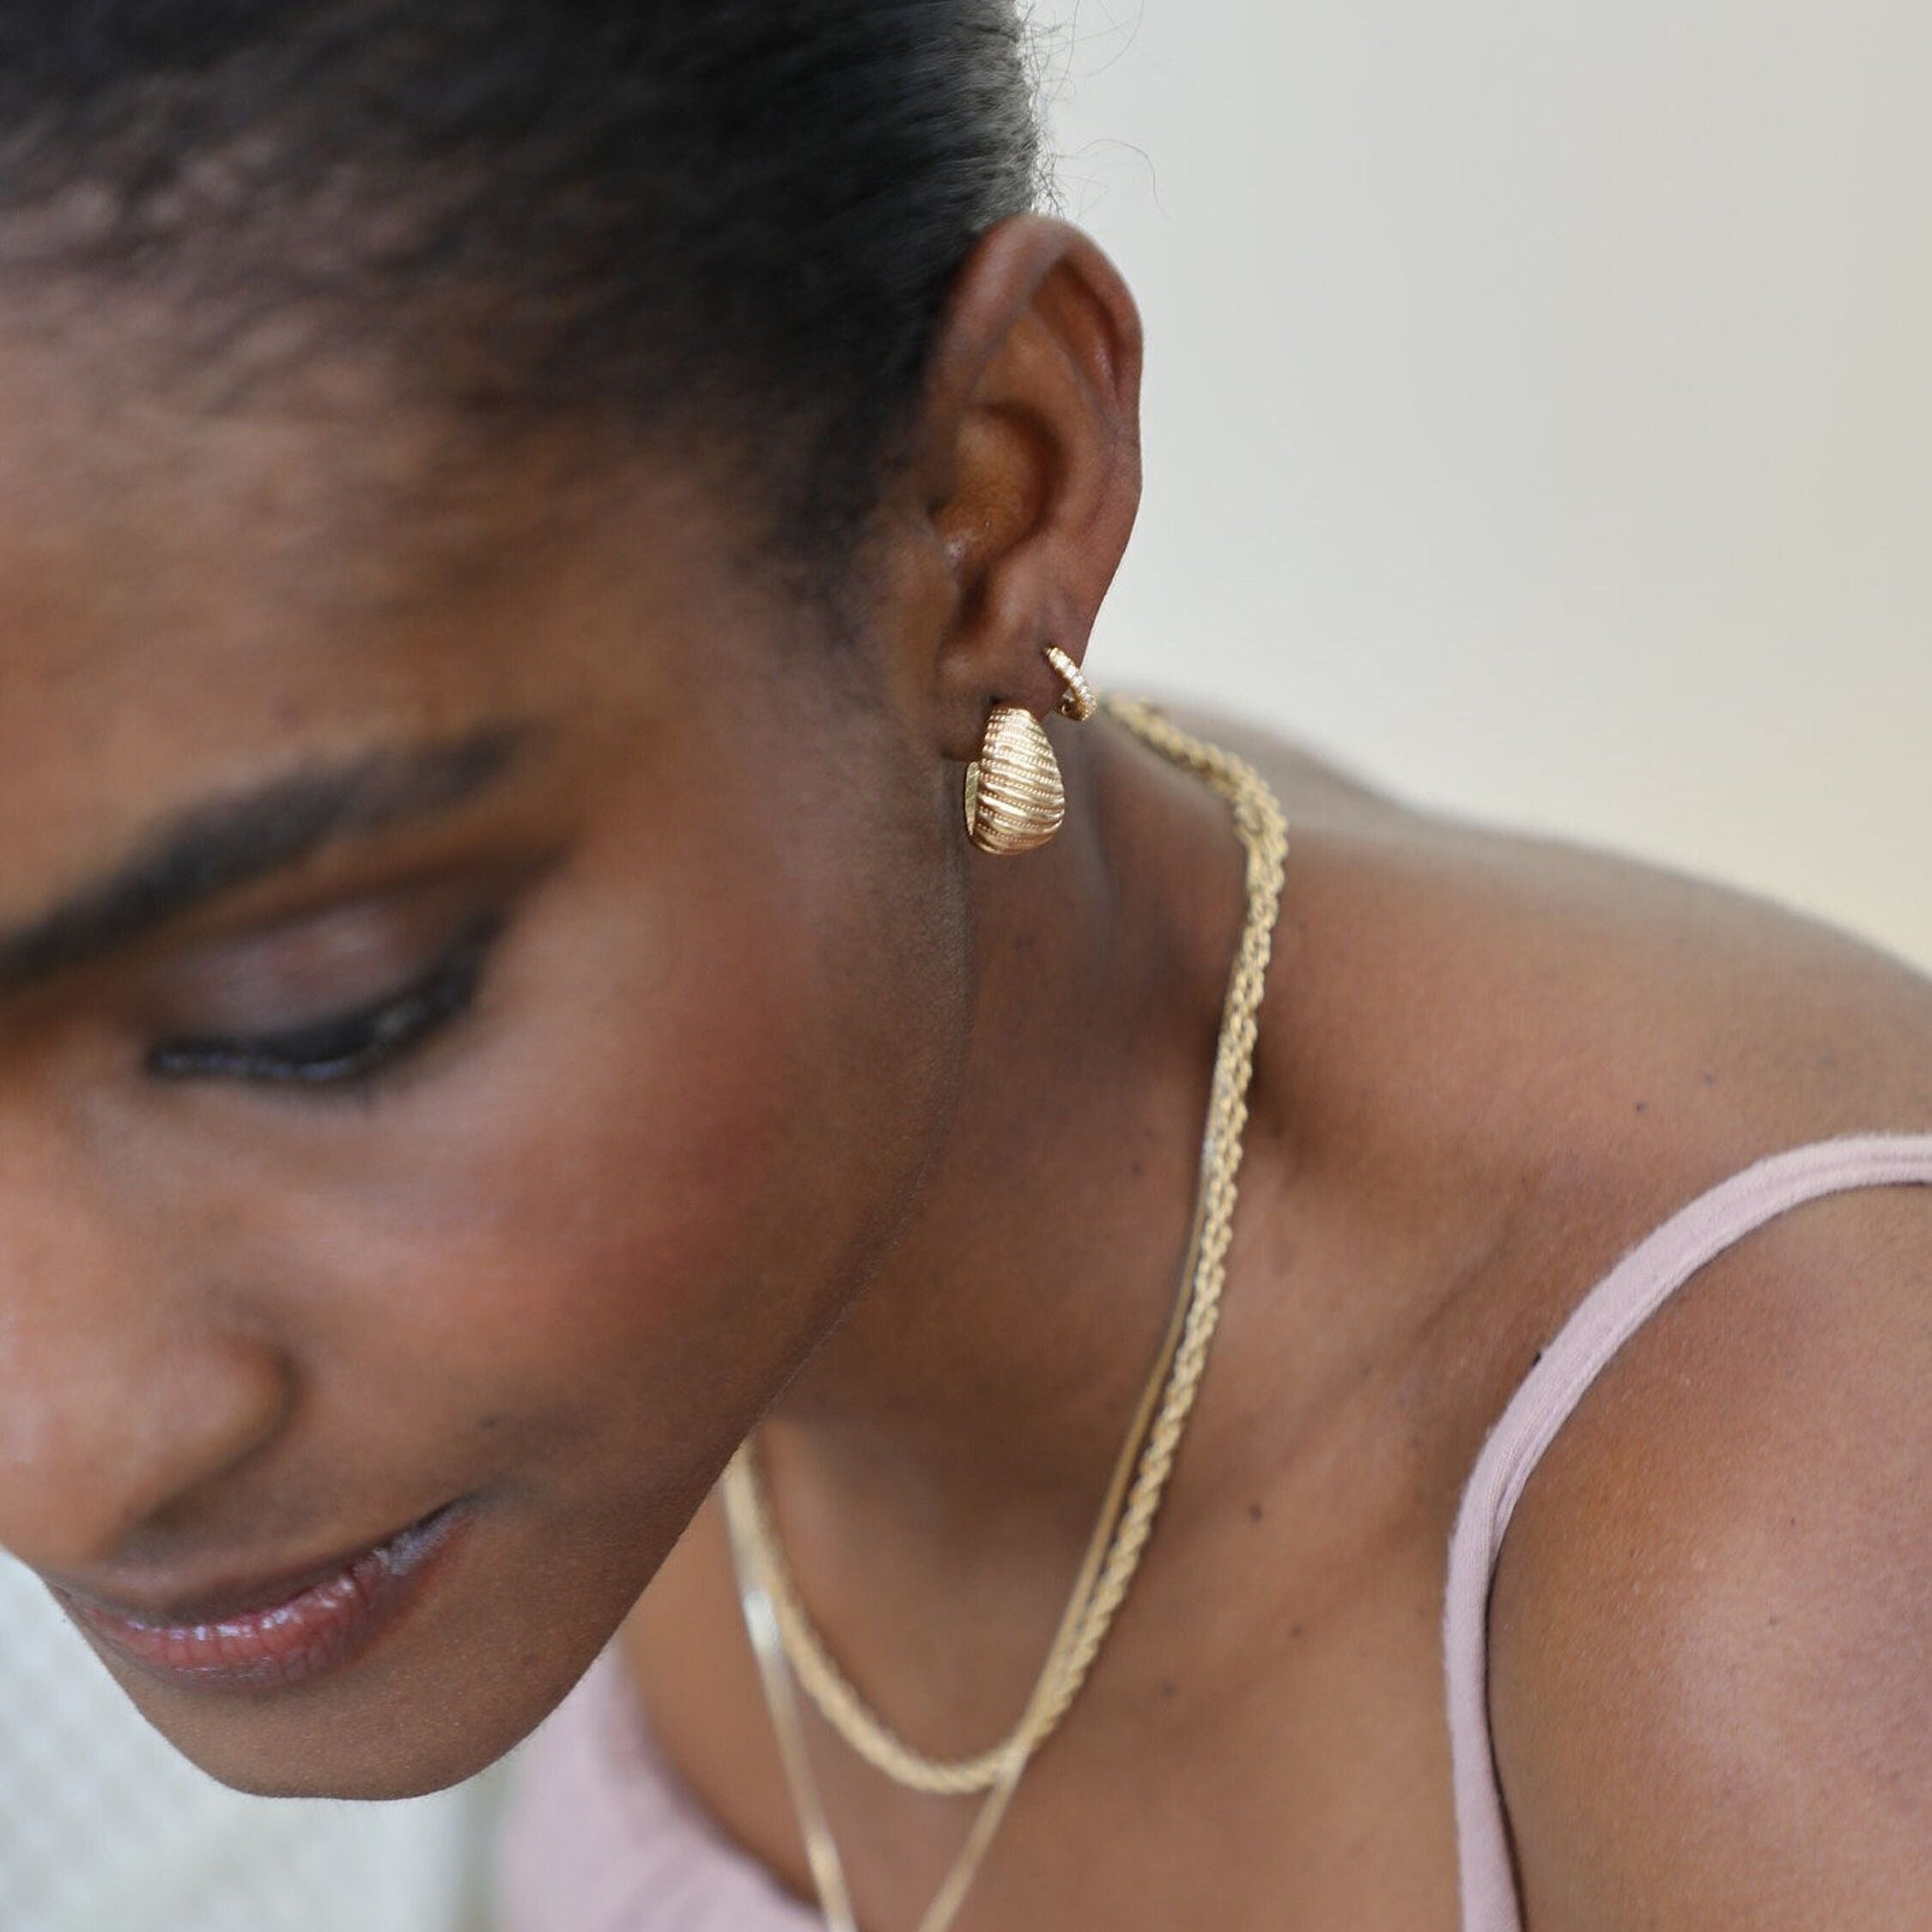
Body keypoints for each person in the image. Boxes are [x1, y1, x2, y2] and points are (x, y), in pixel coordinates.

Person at [0, 5, 1923, 1929]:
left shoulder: (1797, 1552)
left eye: (326, 1016)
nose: (55, 1474)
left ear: (985, 513)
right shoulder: (790, 974)